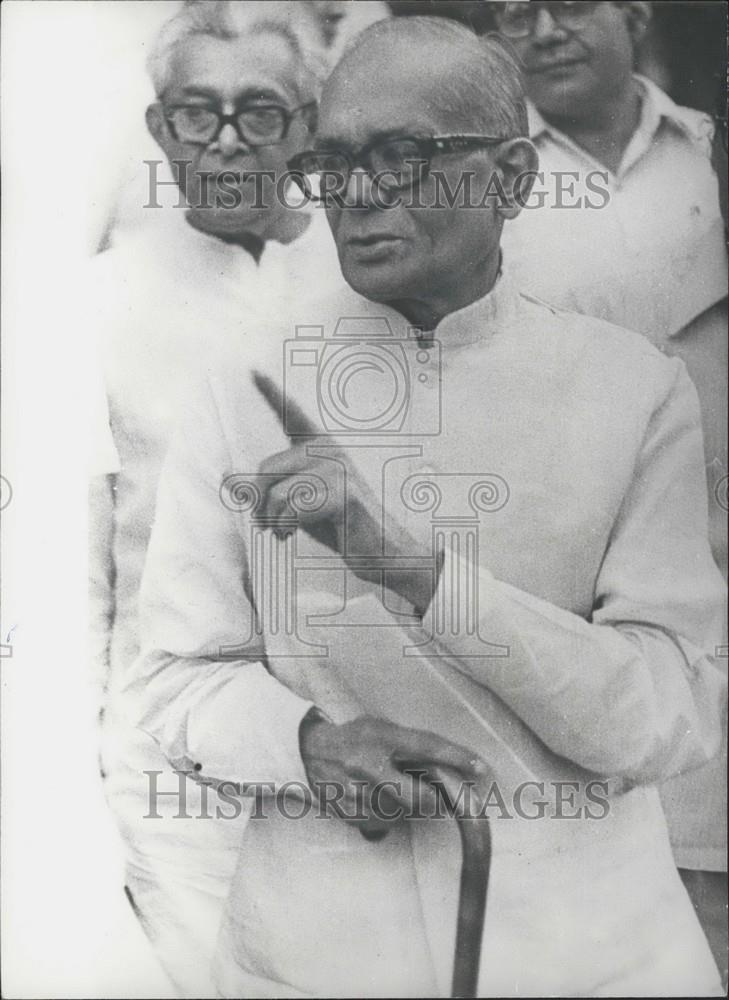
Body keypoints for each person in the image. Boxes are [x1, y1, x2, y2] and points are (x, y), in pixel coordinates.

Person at [127, 16, 725, 996]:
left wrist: (411, 570)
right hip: (322, 948)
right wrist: (307, 745)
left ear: (513, 178)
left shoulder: (632, 390)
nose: (357, 195)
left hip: (590, 949)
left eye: (402, 157)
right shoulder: (243, 387)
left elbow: (665, 717)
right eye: (333, 163)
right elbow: (175, 677)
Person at [88, 2, 342, 994]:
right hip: (175, 784)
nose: (228, 141)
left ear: (308, 125)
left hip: (354, 760)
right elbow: (75, 577)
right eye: (198, 112)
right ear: (162, 129)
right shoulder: (97, 304)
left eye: (262, 111)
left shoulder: (372, 278)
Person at [491, 1, 728, 981]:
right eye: (516, 13)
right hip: (581, 584)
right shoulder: (490, 181)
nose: (545, 30)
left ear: (633, 12)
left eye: (572, 4)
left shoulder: (706, 151)